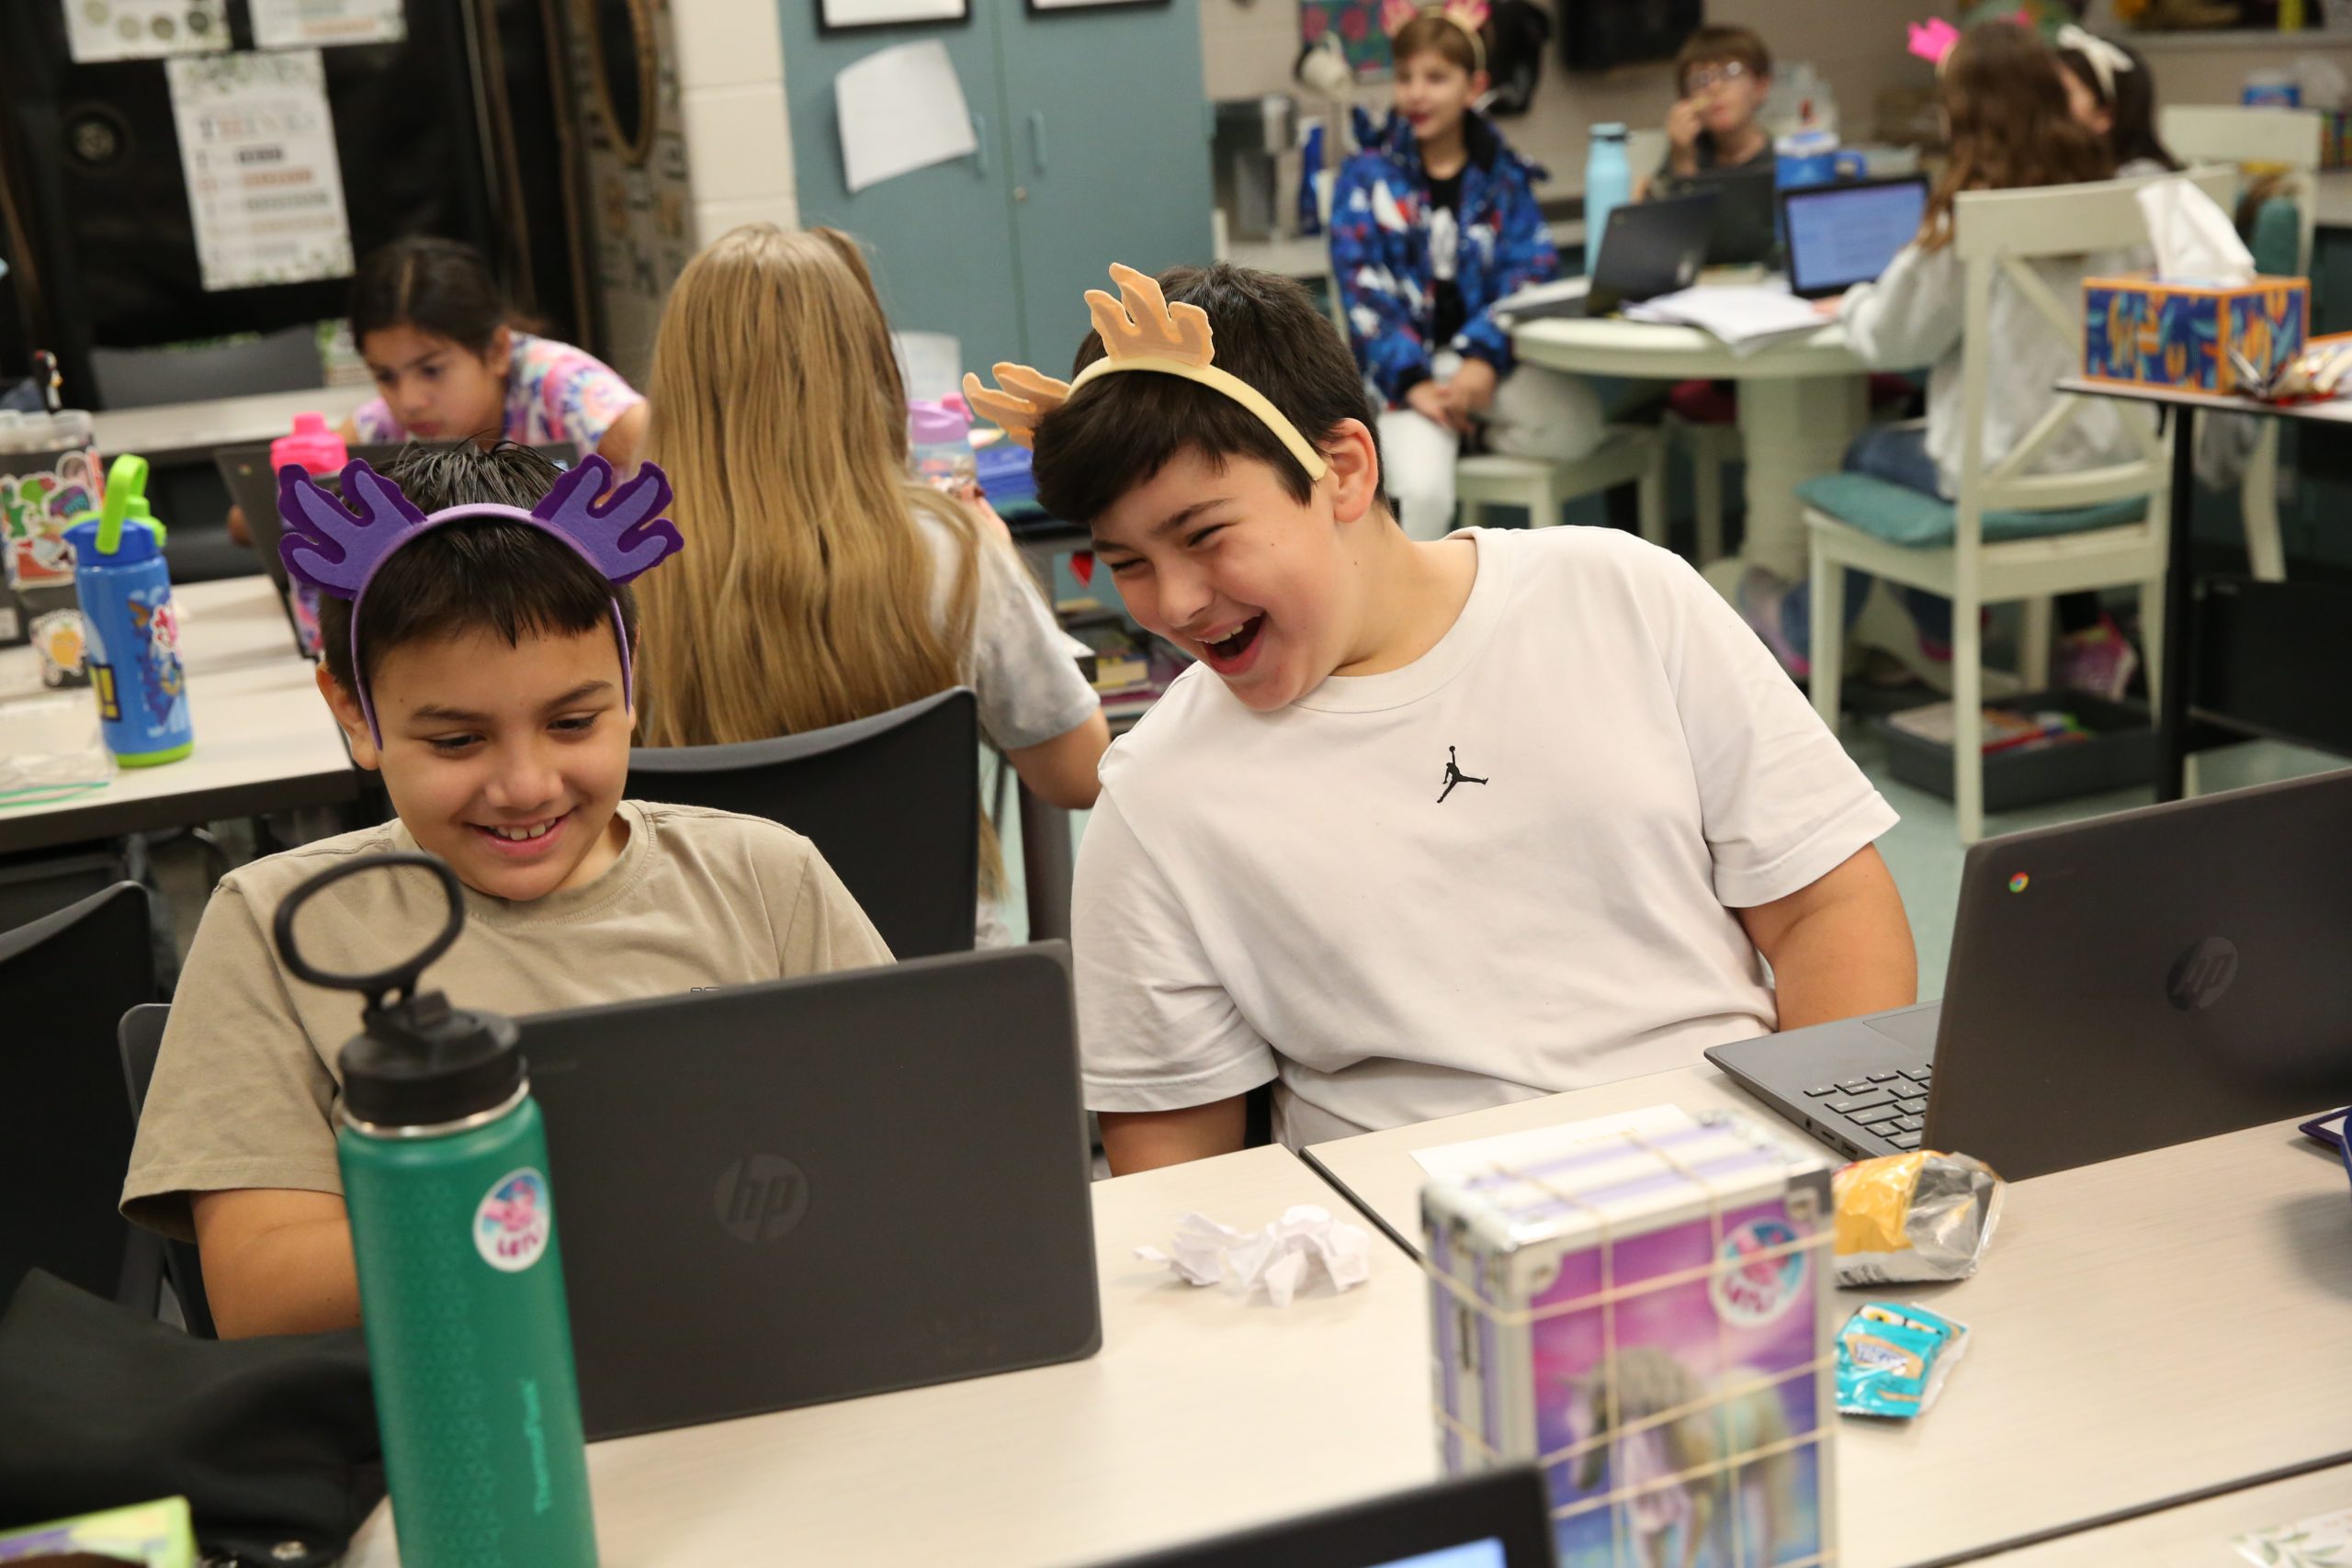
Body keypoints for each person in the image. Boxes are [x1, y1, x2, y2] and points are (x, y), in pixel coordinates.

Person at [967, 261, 1917, 1174]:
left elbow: (1826, 908)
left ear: (1341, 469)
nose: (1172, 603)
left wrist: (1831, 1157)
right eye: (1125, 561)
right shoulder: (1159, 799)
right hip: (1413, 1262)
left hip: (1736, 1182)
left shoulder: (1622, 595)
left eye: (1204, 535)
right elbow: (1177, 1164)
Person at [122, 443, 891, 1337]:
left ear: (631, 677)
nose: (525, 785)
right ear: (353, 713)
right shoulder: (276, 929)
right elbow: (263, 1294)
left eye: (572, 722)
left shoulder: (767, 879)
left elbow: (907, 1160)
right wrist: (606, 1199)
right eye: (457, 741)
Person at [631, 225, 1108, 935]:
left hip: (709, 981)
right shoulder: (952, 552)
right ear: (867, 370)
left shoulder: (619, 570)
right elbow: (1079, 772)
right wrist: (1006, 570)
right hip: (927, 983)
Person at [1737, 22, 2136, 682]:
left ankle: (1812, 633)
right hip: (2111, 462)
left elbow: (1892, 340)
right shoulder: (2116, 203)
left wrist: (1859, 301)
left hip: (2003, 475)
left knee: (1865, 452)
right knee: (1900, 446)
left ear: (1961, 112)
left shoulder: (1970, 216)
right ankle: (1941, 628)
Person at [1329, 0, 1605, 541]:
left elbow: (1529, 272)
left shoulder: (1502, 176)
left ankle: (1468, 429)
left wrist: (1481, 362)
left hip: (1483, 366)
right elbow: (1364, 291)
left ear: (1473, 86)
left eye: (1436, 77)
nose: (1416, 93)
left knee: (1578, 424)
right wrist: (1416, 383)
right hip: (1405, 376)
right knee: (1423, 495)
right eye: (1405, 77)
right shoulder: (1366, 177)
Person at [224, 237, 646, 547]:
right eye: (385, 376)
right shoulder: (384, 425)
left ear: (497, 349)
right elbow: (248, 523)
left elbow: (682, 465)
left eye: (431, 370)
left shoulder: (566, 388)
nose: (408, 400)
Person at [2047, 25, 2179, 698]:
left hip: (2136, 410)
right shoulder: (2145, 181)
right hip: (2123, 406)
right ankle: (2084, 630)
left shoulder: (2108, 200)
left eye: (2057, 95)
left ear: (2104, 112)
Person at [1642, 25, 1775, 197]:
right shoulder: (1687, 152)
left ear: (1761, 87)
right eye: (1700, 79)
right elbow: (1672, 220)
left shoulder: (1780, 161)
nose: (1714, 87)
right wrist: (1682, 160)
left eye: (1730, 72)